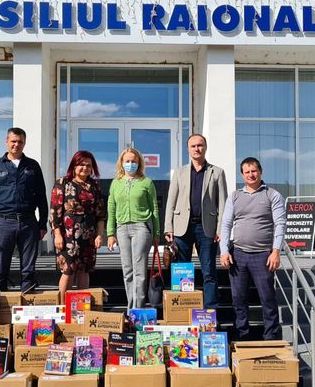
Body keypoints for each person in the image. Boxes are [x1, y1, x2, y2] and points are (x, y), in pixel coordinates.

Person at [220, 157, 286, 341]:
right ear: (242, 175)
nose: (251, 174)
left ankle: (271, 338)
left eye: (254, 170)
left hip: (264, 255)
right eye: (247, 172)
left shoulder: (272, 195)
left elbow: (280, 223)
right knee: (238, 300)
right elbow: (226, 224)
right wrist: (224, 250)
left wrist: (276, 251)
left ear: (261, 172)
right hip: (238, 254)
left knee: (267, 299)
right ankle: (242, 337)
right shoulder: (234, 196)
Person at [164, 134, 227, 309]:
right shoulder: (179, 172)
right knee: (182, 273)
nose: (197, 149)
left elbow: (222, 203)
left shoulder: (217, 172)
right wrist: (168, 227)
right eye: (193, 146)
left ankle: (210, 314)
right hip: (182, 227)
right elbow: (171, 201)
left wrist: (221, 230)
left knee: (209, 273)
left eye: (200, 145)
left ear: (205, 148)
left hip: (207, 228)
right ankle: (182, 310)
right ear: (188, 149)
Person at [0, 127, 48, 293]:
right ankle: (0, 304)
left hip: (28, 222)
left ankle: (27, 301)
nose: (16, 145)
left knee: (28, 268)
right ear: (7, 142)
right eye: (13, 141)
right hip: (4, 223)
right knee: (0, 268)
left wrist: (42, 224)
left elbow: (41, 196)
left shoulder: (33, 166)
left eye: (20, 142)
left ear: (24, 143)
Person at [107, 148, 160, 310]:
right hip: (122, 228)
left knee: (139, 269)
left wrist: (157, 233)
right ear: (122, 163)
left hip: (142, 227)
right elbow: (111, 207)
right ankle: (131, 308)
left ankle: (139, 307)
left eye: (134, 161)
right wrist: (110, 233)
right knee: (127, 269)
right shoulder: (116, 183)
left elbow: (155, 209)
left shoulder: (146, 182)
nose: (131, 164)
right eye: (127, 161)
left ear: (139, 163)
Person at [49, 150, 105, 302]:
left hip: (89, 235)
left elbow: (100, 214)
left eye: (88, 165)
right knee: (68, 270)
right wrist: (57, 234)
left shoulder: (94, 186)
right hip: (67, 236)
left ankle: (80, 310)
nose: (85, 168)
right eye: (81, 164)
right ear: (74, 165)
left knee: (84, 271)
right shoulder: (63, 183)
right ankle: (62, 307)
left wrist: (99, 235)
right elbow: (54, 212)